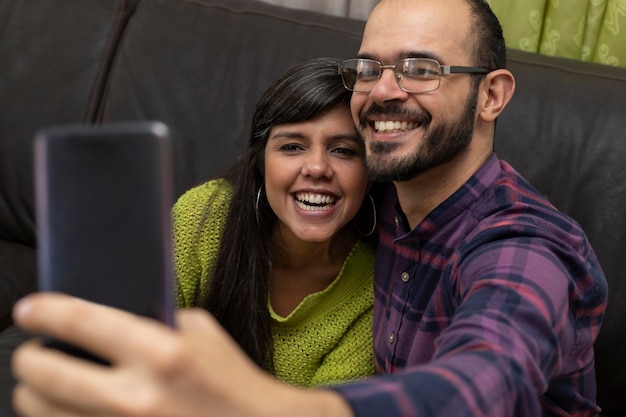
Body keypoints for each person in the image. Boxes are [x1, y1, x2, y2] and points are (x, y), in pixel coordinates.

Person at [11, 1, 608, 417]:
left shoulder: (525, 244)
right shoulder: (381, 202)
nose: (385, 90)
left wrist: (274, 407)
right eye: (370, 68)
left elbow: (489, 382)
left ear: (492, 94)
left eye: (421, 69)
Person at [172, 57, 376, 386]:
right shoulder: (203, 215)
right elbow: (134, 344)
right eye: (292, 146)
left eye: (343, 151)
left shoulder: (375, 290)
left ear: (370, 173)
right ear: (261, 162)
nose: (316, 168)